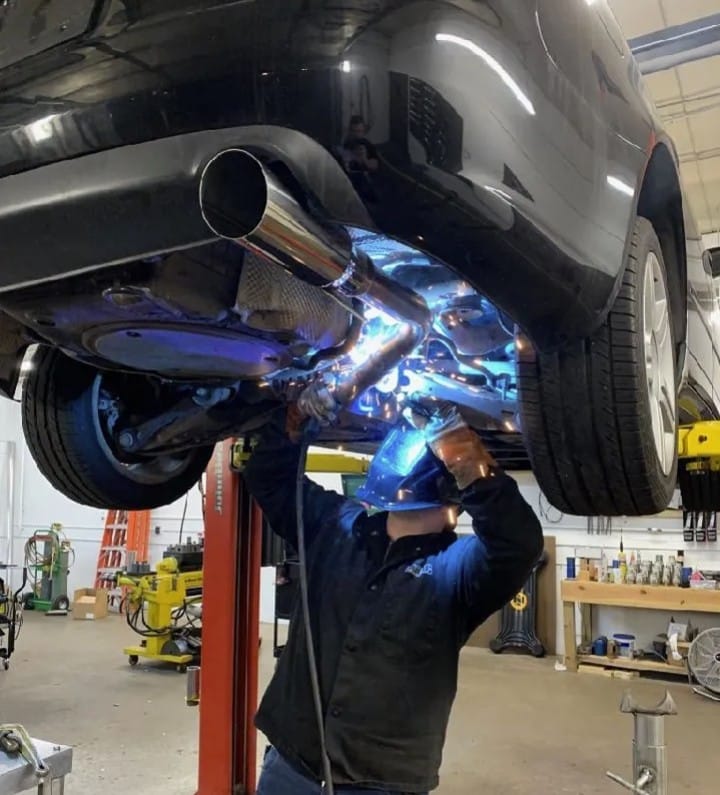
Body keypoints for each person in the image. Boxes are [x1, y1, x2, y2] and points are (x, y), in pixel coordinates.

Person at [244, 395, 543, 795]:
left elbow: (518, 543)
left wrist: (463, 453)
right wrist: (297, 416)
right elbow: (270, 476)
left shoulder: (458, 570)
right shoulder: (337, 526)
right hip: (291, 766)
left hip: (381, 781)